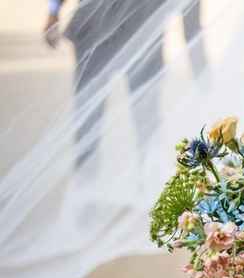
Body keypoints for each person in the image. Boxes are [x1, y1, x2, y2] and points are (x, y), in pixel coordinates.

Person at [43, 0, 206, 167]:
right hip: (120, 31)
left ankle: (140, 179)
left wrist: (53, 12)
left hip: (131, 33)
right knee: (91, 119)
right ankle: (88, 180)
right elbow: (191, 20)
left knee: (144, 121)